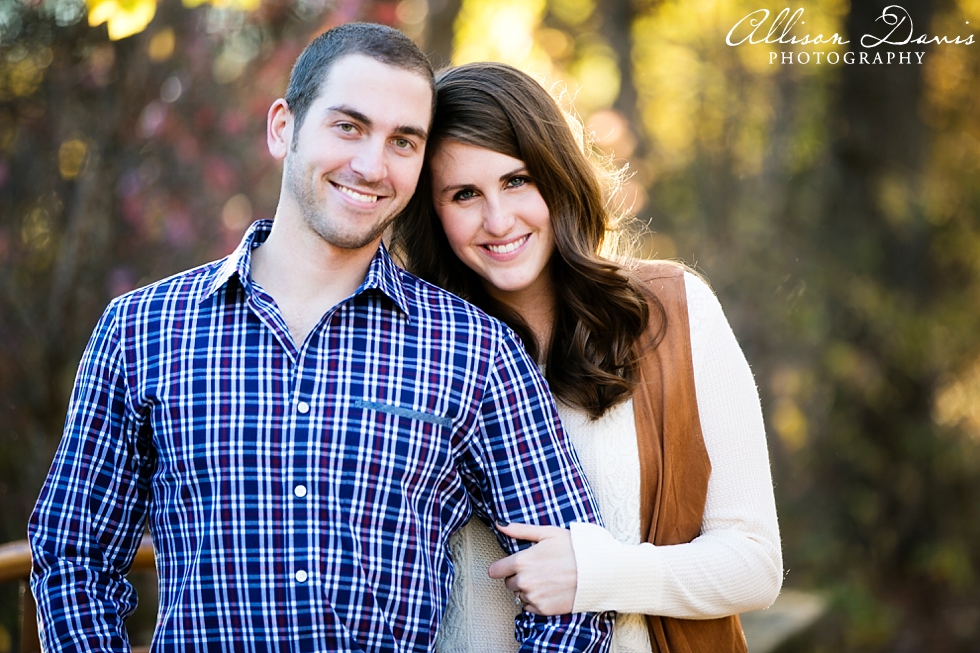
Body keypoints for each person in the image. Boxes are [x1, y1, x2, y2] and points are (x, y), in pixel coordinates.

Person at [28, 25, 614, 653]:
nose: (371, 165)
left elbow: (572, 594)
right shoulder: (143, 329)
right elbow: (73, 558)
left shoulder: (473, 349)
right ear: (283, 127)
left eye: (403, 142)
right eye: (348, 126)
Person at [390, 62, 783, 653]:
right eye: (464, 194)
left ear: (557, 176)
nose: (498, 220)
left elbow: (755, 565)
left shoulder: (670, 312)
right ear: (432, 212)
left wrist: (600, 576)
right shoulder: (411, 348)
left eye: (517, 180)